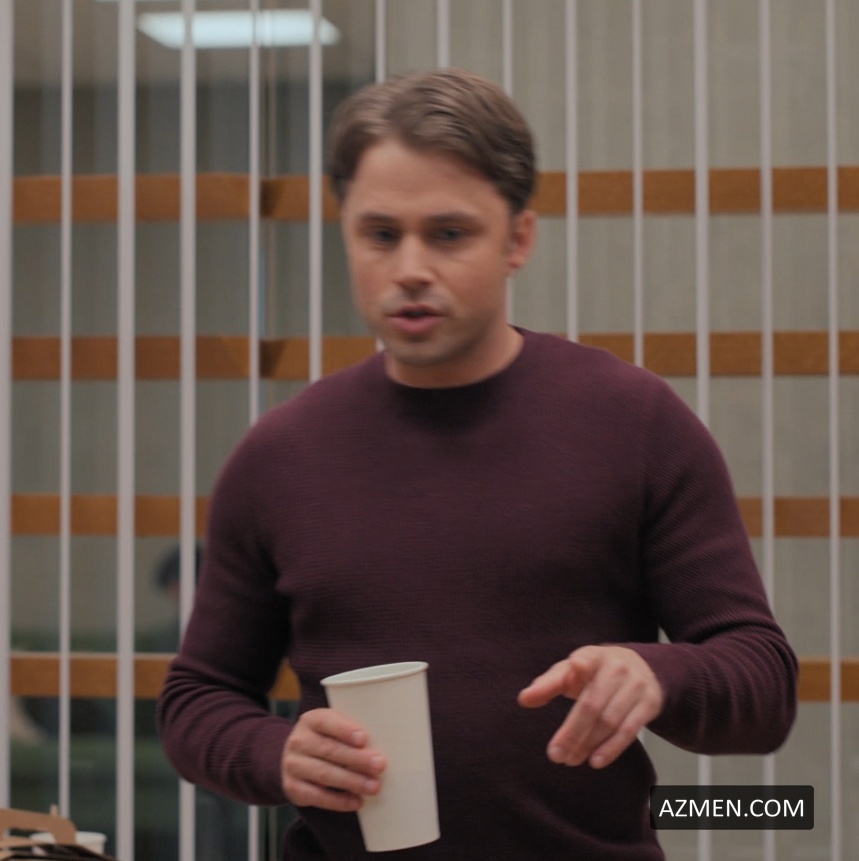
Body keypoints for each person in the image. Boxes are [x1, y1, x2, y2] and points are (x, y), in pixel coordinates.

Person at [158, 68, 798, 860]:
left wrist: (655, 673)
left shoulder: (634, 423)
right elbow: (198, 697)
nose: (410, 267)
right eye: (380, 234)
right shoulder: (280, 455)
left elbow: (762, 680)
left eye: (449, 234)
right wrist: (274, 752)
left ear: (517, 239)